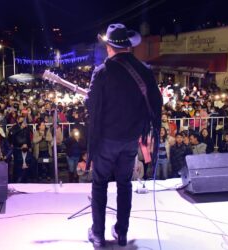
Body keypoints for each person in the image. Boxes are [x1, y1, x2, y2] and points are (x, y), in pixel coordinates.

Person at [86, 24, 162, 247]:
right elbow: (154, 102)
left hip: (106, 140)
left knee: (99, 185)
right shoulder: (144, 70)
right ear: (128, 47)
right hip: (130, 140)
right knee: (124, 185)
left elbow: (91, 104)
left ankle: (98, 235)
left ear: (110, 47)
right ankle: (122, 233)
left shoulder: (102, 72)